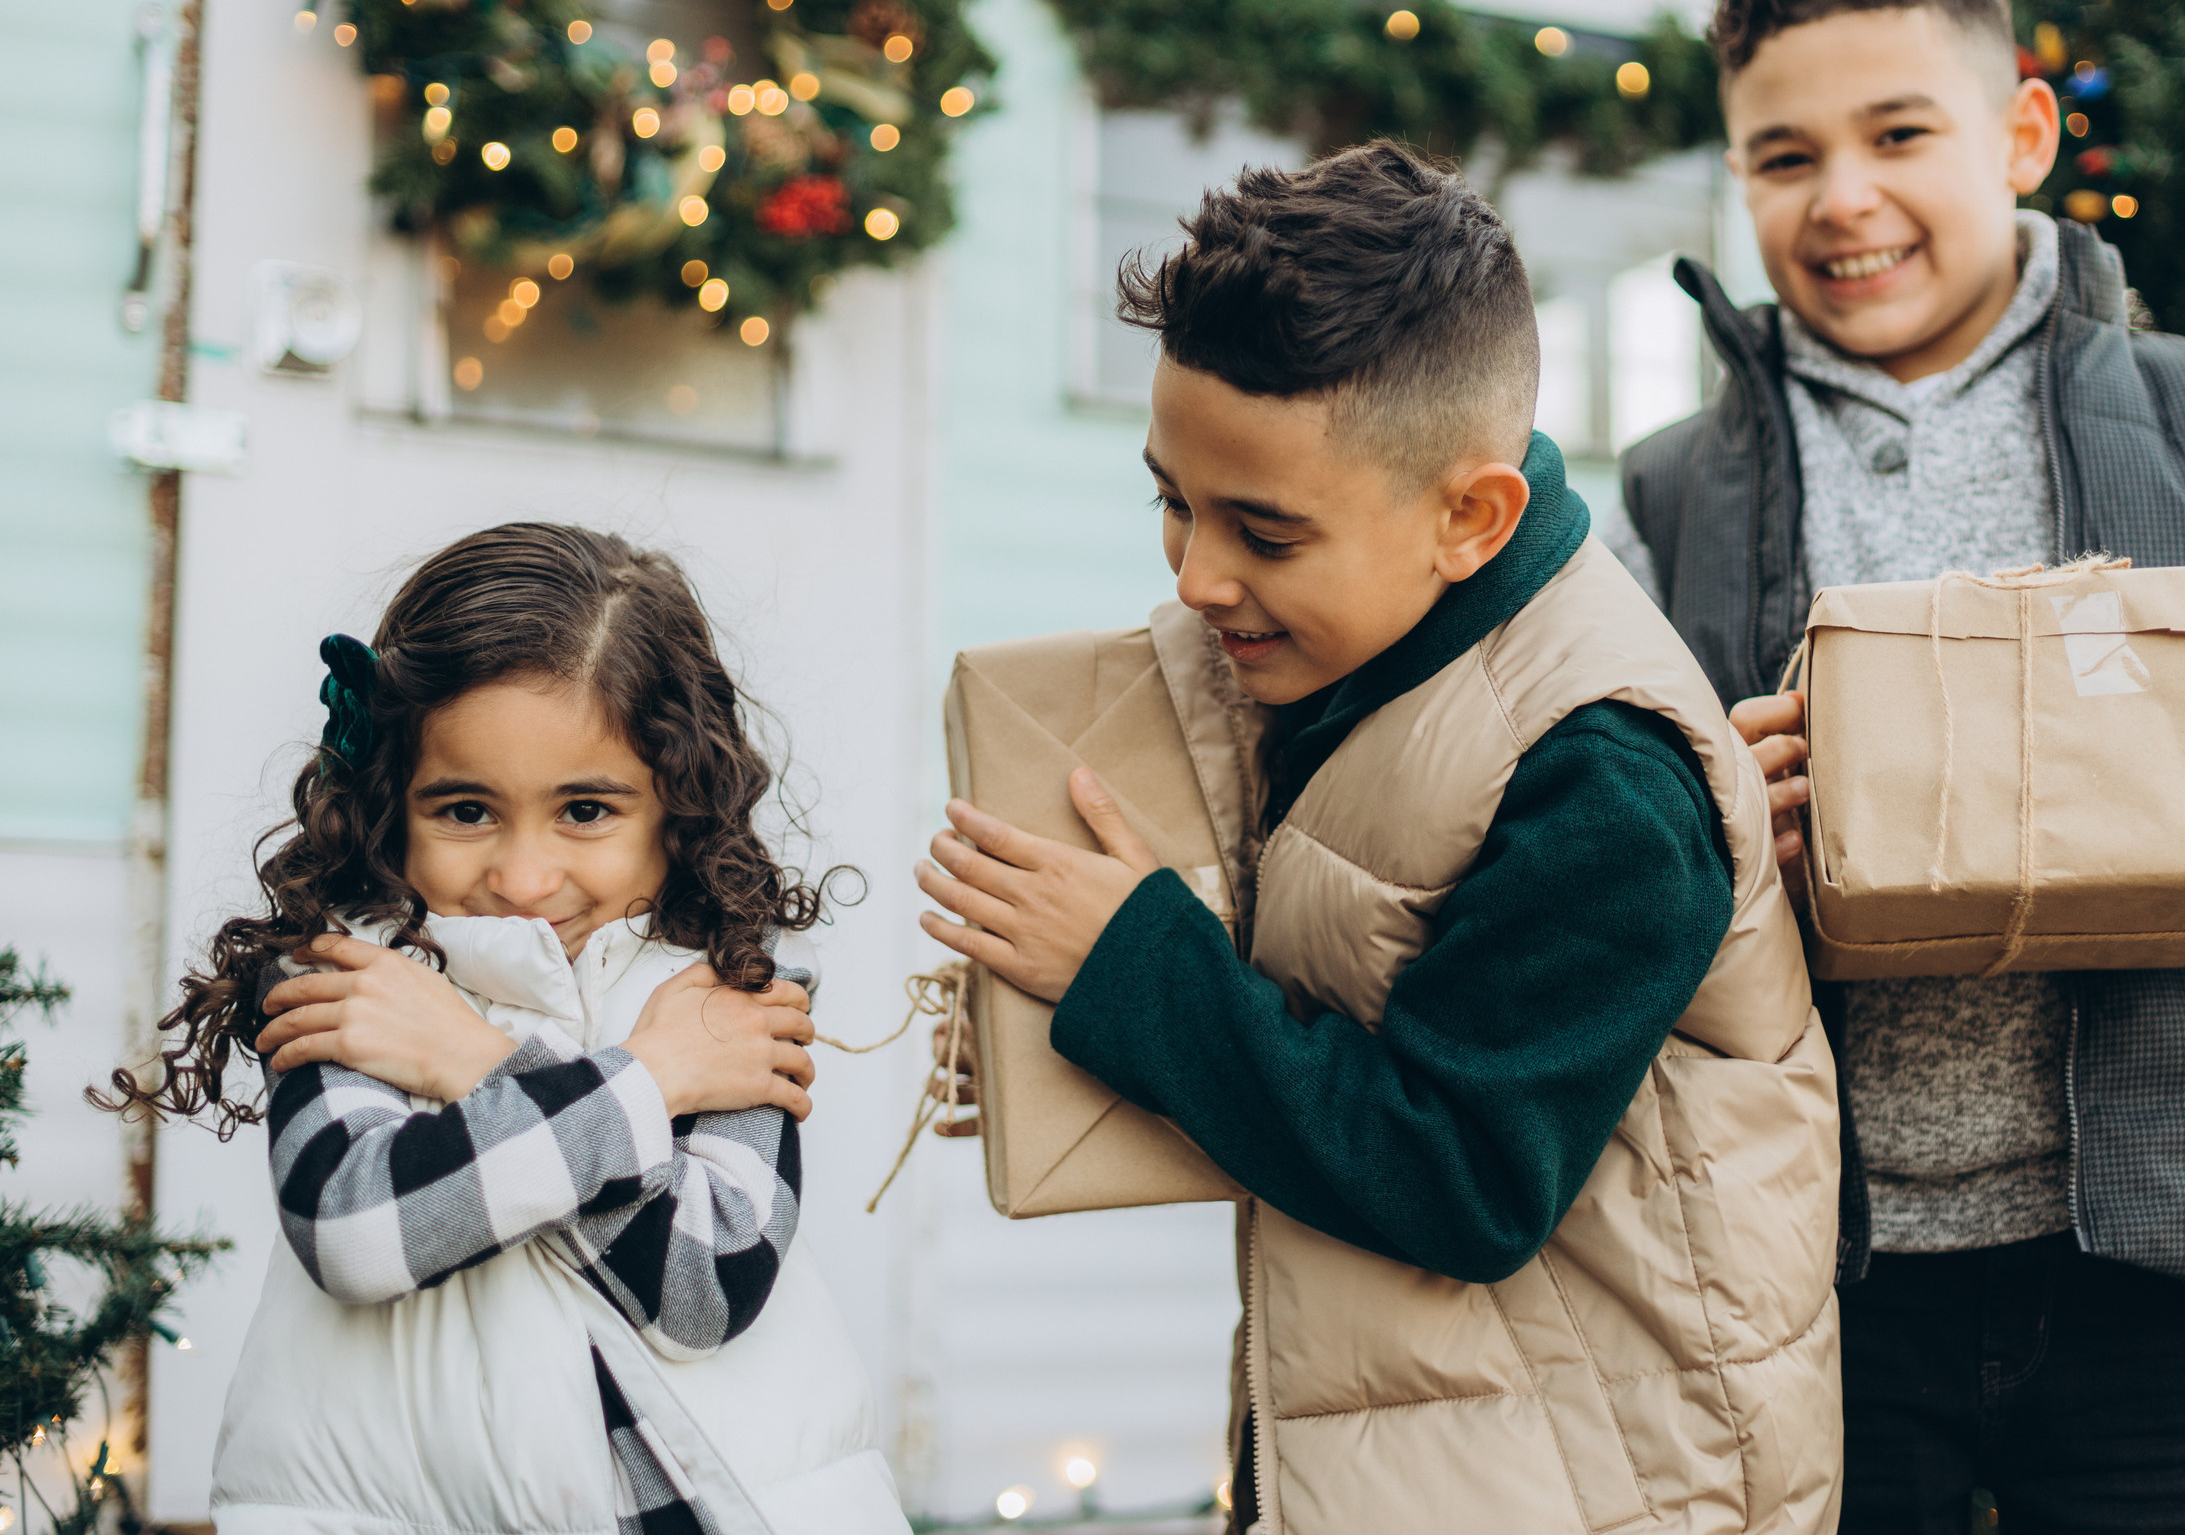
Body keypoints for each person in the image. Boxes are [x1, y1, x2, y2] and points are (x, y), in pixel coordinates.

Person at [1605, 0, 2185, 1535]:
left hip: (2170, 1274)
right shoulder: (1668, 497)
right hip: (1812, 1284)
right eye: (1784, 158)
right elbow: (1600, 873)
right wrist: (1716, 837)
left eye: (1898, 134)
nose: (1842, 200)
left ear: (2021, 135)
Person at [915, 140, 1842, 1535]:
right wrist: (1066, 1016)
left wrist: (1134, 969)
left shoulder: (1604, 772)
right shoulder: (1365, 663)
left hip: (1604, 1488)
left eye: (1266, 534)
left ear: (1471, 515)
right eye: (1171, 497)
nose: (1196, 572)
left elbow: (1459, 1172)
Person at [103, 523, 907, 1535]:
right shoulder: (349, 980)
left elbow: (701, 1289)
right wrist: (646, 1087)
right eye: (467, 810)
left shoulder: (723, 1001)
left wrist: (478, 1062)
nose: (524, 879)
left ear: (678, 800)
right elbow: (358, 1232)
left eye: (584, 809)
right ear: (391, 804)